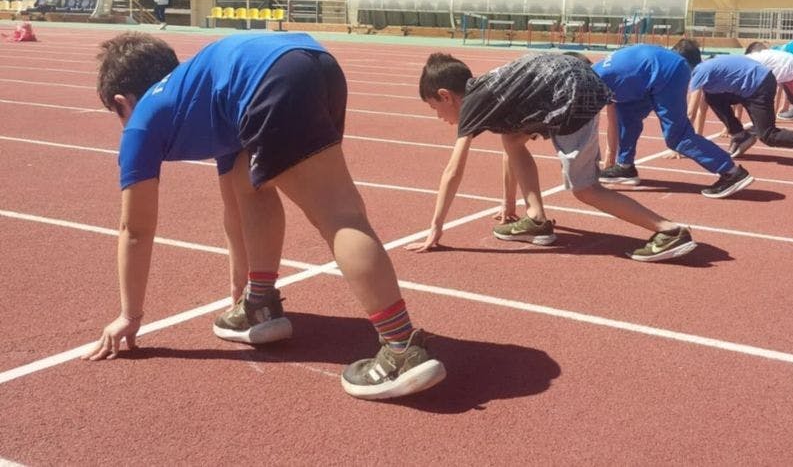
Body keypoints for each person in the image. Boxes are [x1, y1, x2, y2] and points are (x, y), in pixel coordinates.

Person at [83, 31, 446, 400]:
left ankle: (400, 348)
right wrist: (241, 291)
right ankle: (259, 302)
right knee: (252, 189)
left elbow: (135, 230)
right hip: (314, 62)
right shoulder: (203, 91)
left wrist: (129, 316)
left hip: (271, 78)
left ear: (122, 102)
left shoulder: (142, 122)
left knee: (339, 217)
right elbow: (237, 206)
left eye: (117, 116)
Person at [408, 52, 698, 263]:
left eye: (434, 107)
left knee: (585, 189)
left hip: (571, 93)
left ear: (446, 96)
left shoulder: (473, 103)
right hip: (570, 80)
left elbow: (453, 171)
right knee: (512, 139)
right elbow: (510, 148)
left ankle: (669, 231)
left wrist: (436, 227)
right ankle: (535, 218)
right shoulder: (488, 90)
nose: (438, 116)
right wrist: (509, 204)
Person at [593, 45, 754, 199]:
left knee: (677, 137)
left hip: (666, 71)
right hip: (654, 70)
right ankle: (625, 167)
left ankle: (732, 172)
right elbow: (614, 118)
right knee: (627, 114)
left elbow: (595, 125)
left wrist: (601, 159)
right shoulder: (596, 73)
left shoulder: (592, 84)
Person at [673, 39, 793, 170]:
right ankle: (740, 135)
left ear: (684, 63)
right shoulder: (709, 65)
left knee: (768, 135)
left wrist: (683, 145)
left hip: (760, 85)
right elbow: (706, 104)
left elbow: (691, 112)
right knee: (712, 97)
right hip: (754, 84)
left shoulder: (700, 72)